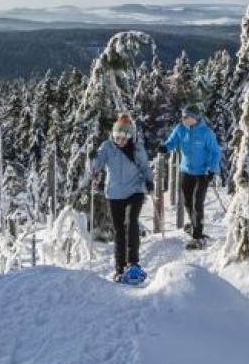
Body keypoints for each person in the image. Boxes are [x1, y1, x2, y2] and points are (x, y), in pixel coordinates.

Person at [91, 114, 153, 283]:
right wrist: (93, 162)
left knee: (131, 222)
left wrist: (149, 180)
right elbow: (97, 165)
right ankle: (120, 268)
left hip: (135, 190)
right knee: (119, 231)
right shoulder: (106, 147)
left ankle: (133, 263)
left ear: (129, 136)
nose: (120, 141)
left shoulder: (137, 149)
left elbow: (145, 167)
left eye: (123, 137)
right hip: (114, 194)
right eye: (117, 137)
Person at [162, 104, 222, 250]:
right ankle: (196, 226)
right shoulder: (180, 129)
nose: (183, 118)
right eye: (182, 116)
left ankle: (197, 237)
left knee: (197, 203)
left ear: (195, 118)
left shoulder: (206, 133)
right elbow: (171, 142)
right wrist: (164, 148)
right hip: (185, 172)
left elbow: (215, 152)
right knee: (188, 203)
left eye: (186, 116)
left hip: (202, 174)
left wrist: (211, 170)